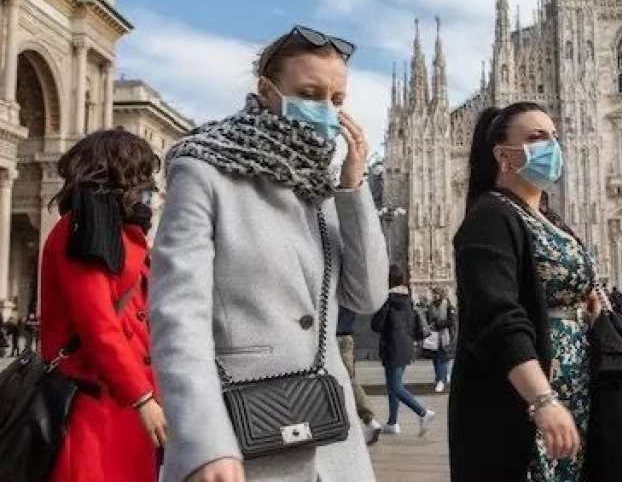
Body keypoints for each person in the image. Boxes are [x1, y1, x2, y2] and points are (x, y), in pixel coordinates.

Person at [149, 25, 388, 482]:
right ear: (266, 90)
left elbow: (367, 296)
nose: (325, 111)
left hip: (332, 446)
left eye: (336, 100)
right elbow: (178, 316)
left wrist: (353, 191)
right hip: (238, 441)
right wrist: (205, 442)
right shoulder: (204, 169)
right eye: (309, 93)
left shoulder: (320, 181)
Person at [450, 102, 602, 481]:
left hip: (574, 389)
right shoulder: (490, 217)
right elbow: (498, 316)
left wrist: (584, 302)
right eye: (536, 138)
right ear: (502, 155)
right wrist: (543, 400)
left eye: (554, 136)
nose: (551, 146)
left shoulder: (548, 217)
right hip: (523, 396)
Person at [39, 130, 168, 481]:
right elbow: (97, 324)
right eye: (140, 176)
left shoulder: (122, 233)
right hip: (93, 409)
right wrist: (141, 397)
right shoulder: (82, 230)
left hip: (126, 407)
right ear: (119, 174)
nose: (147, 189)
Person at [372, 265, 435, 436]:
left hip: (393, 347)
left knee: (395, 386)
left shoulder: (388, 300)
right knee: (392, 385)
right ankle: (392, 423)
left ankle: (423, 412)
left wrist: (381, 305)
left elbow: (376, 325)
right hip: (405, 346)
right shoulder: (409, 300)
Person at [337, 305, 383, 445]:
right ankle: (368, 420)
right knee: (348, 380)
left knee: (343, 381)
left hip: (332, 338)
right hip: (346, 337)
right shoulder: (347, 290)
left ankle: (367, 419)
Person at [424, 285, 457, 392]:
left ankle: (440, 381)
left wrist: (439, 324)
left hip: (445, 335)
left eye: (437, 293)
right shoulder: (431, 305)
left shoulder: (448, 306)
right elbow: (428, 318)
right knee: (435, 358)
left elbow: (451, 321)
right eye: (434, 293)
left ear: (441, 294)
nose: (435, 295)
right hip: (434, 336)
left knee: (442, 358)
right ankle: (440, 377)